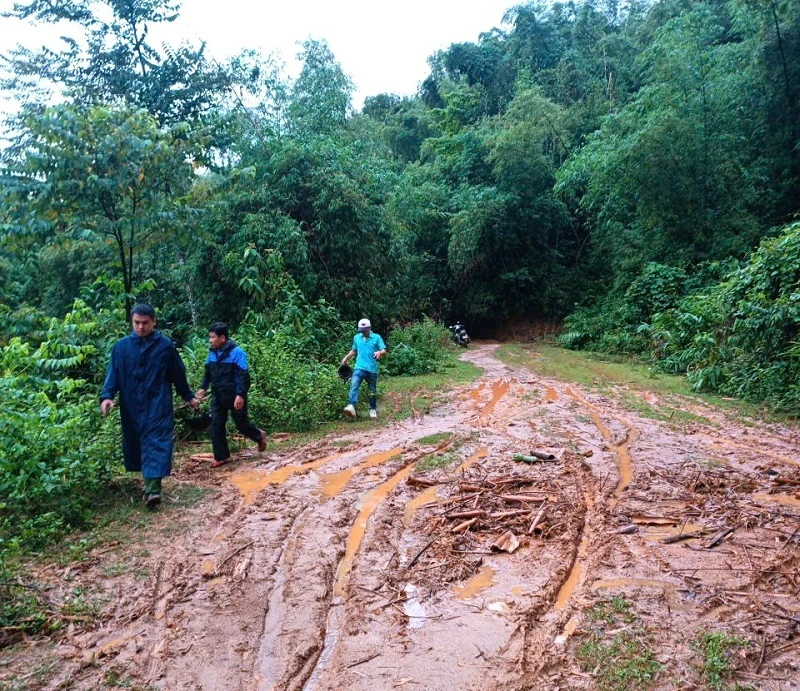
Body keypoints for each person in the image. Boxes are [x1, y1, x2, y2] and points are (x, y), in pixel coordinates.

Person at [100, 303, 197, 508]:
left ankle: (153, 489)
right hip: (131, 405)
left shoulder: (164, 346)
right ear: (132, 322)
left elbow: (178, 374)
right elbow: (113, 374)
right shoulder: (121, 347)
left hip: (158, 403)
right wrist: (107, 396)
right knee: (137, 443)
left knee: (156, 442)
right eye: (137, 323)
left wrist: (188, 396)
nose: (141, 327)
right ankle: (149, 483)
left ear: (154, 322)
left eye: (145, 323)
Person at [195, 322, 266, 468]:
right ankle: (222, 457)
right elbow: (207, 372)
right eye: (209, 337)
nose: (210, 340)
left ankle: (259, 436)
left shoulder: (237, 352)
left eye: (212, 337)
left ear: (222, 338)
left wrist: (240, 395)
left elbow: (243, 376)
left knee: (241, 424)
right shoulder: (212, 352)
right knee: (216, 424)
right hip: (218, 395)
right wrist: (203, 388)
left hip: (235, 396)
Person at [340, 318, 387, 419]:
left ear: (369, 328)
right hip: (359, 367)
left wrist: (379, 352)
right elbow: (354, 350)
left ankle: (372, 409)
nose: (363, 332)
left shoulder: (376, 337)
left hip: (371, 369)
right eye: (361, 330)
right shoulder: (357, 338)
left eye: (364, 330)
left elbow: (384, 350)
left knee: (372, 390)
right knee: (354, 384)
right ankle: (351, 405)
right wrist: (346, 358)